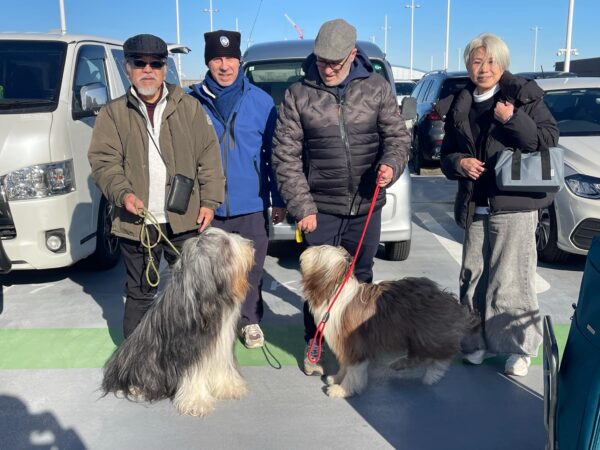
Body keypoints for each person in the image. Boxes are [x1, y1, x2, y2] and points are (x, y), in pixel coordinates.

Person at [272, 19, 410, 375]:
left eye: (335, 62)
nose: (328, 69)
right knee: (319, 282)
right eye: (322, 62)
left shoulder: (377, 88)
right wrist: (302, 207)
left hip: (366, 204)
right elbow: (285, 155)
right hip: (319, 208)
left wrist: (390, 167)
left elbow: (397, 138)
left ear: (352, 55)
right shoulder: (298, 94)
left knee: (361, 277)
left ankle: (358, 342)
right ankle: (315, 341)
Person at [437, 33, 559, 376]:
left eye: (491, 61)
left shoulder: (522, 96)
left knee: (512, 280)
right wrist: (460, 163)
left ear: (502, 64)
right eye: (477, 61)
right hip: (476, 202)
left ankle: (520, 348)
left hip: (515, 202)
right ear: (467, 65)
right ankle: (476, 343)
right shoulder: (461, 102)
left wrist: (512, 118)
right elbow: (446, 154)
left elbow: (548, 139)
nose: (484, 68)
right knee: (471, 277)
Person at [88, 34, 225, 339]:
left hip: (184, 220)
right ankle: (136, 370)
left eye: (156, 63)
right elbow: (103, 162)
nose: (147, 69)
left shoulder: (189, 107)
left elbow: (209, 156)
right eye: (140, 63)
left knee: (191, 295)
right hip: (137, 223)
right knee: (140, 295)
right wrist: (122, 193)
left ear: (165, 68)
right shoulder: (112, 114)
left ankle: (187, 363)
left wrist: (210, 201)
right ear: (128, 68)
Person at [190, 30, 286, 349]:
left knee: (251, 270)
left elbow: (275, 154)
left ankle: (249, 321)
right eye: (217, 58)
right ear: (208, 61)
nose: (224, 65)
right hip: (208, 207)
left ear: (239, 61)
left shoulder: (261, 101)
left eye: (230, 58)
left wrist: (278, 198)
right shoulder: (191, 102)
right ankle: (214, 327)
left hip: (251, 204)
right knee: (209, 273)